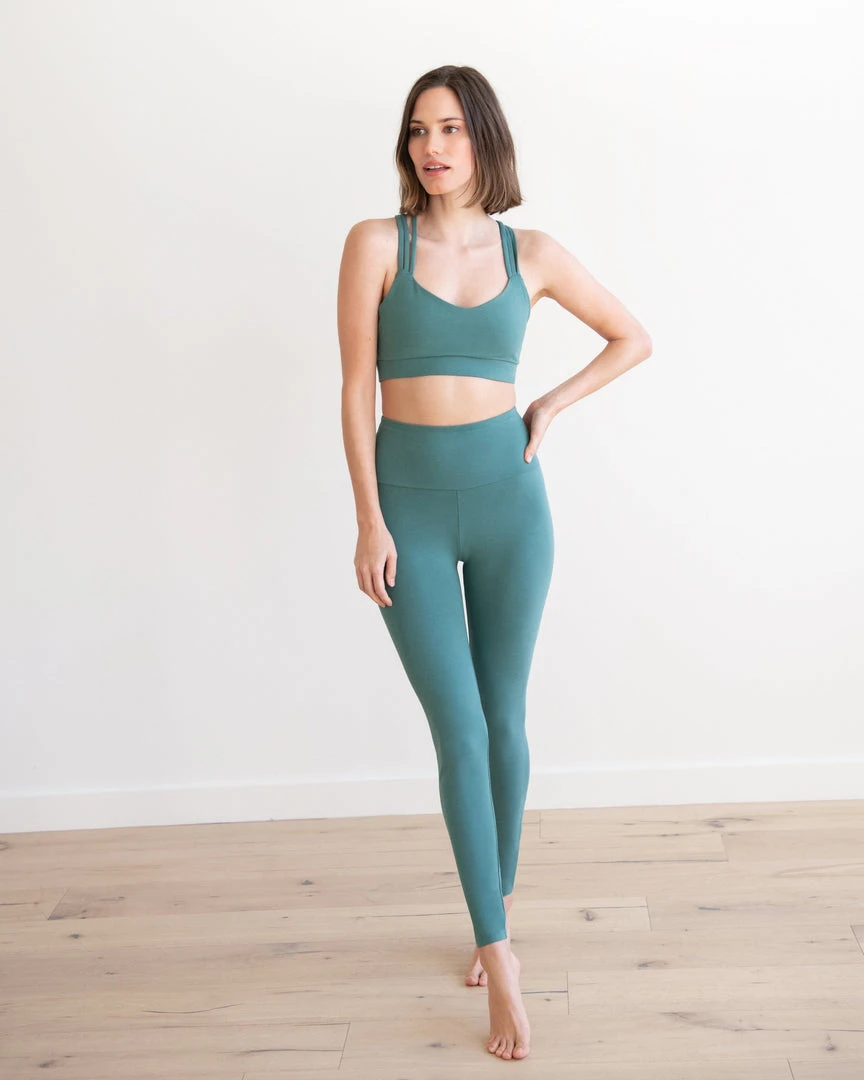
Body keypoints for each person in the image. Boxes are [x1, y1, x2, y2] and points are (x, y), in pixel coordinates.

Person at [337, 64, 651, 1063]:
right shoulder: (375, 244)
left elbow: (632, 338)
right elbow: (354, 388)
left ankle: (495, 903)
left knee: (506, 720)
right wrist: (369, 521)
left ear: (484, 139)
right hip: (411, 515)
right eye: (418, 130)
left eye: (451, 130)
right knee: (460, 729)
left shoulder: (534, 253)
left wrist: (550, 404)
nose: (432, 148)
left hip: (514, 507)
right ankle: (500, 954)